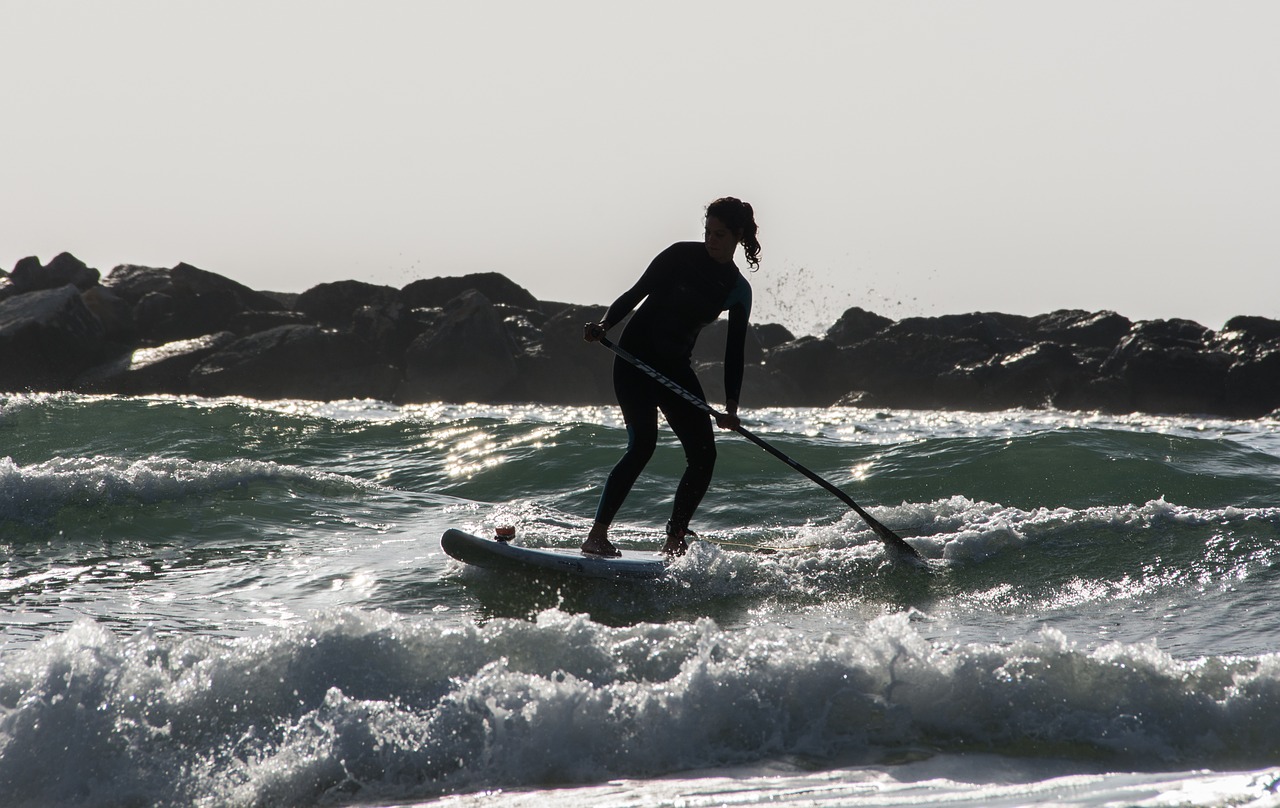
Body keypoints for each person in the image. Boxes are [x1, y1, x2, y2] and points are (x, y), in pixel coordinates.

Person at [581, 197, 760, 557]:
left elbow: (734, 352)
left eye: (720, 234)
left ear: (737, 237)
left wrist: (731, 406)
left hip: (675, 370)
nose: (711, 240)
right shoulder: (680, 255)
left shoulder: (738, 290)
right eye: (708, 232)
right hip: (634, 361)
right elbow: (635, 294)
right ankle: (596, 536)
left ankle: (674, 539)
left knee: (704, 455)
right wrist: (605, 325)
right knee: (642, 445)